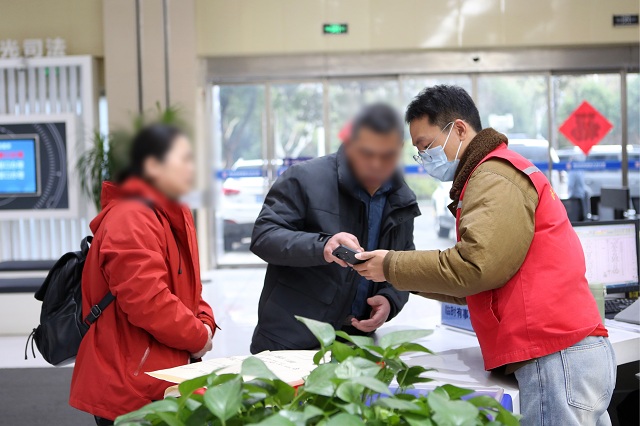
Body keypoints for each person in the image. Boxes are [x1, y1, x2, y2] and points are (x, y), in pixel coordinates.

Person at [354, 85, 615, 426]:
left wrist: (390, 265)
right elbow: (475, 285)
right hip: (565, 351)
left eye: (426, 146)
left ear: (460, 129)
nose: (424, 158)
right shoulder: (493, 173)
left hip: (555, 354)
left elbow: (476, 267)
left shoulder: (494, 176)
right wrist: (396, 276)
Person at [70, 125, 217, 425]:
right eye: (183, 159)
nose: (191, 168)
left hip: (156, 377)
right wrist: (198, 336)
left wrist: (206, 320)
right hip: (132, 386)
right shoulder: (132, 217)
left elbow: (187, 289)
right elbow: (148, 301)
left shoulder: (167, 212)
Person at [250, 103, 420, 353]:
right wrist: (323, 246)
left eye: (387, 156)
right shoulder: (304, 179)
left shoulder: (402, 199)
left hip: (355, 342)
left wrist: (389, 300)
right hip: (290, 339)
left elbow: (402, 260)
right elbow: (264, 236)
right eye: (367, 153)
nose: (376, 164)